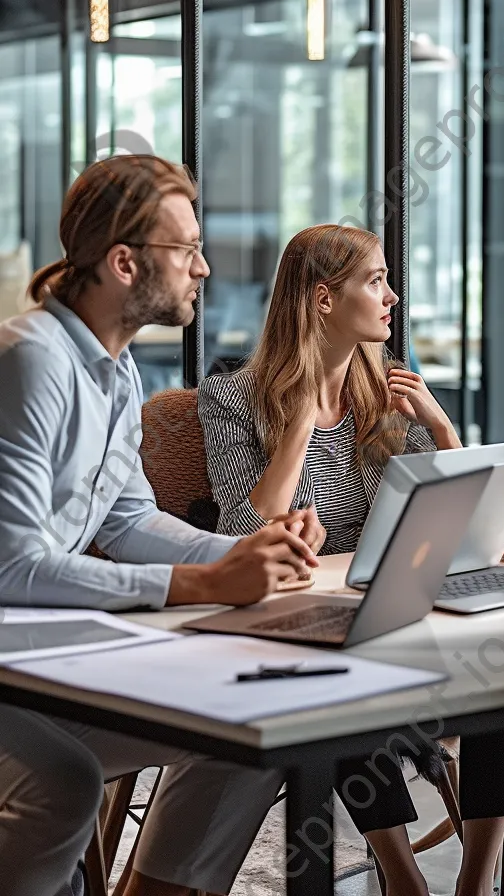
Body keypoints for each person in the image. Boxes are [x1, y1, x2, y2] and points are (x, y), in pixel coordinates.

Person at [0, 155, 323, 896]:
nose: (204, 268)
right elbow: (11, 566)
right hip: (13, 663)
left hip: (34, 656)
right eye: (187, 250)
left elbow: (126, 516)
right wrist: (203, 582)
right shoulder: (31, 363)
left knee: (244, 727)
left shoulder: (113, 371)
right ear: (123, 263)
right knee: (61, 782)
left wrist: (248, 551)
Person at [197, 223, 504, 896]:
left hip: (404, 602)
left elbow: (463, 522)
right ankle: (402, 874)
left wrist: (440, 429)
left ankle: (473, 885)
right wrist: (299, 422)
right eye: (376, 281)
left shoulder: (387, 394)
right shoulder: (230, 399)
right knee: (344, 670)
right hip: (312, 614)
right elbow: (243, 527)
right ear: (324, 299)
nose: (394, 298)